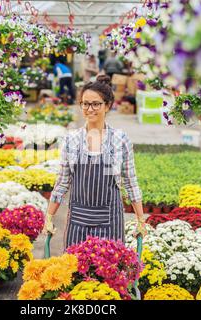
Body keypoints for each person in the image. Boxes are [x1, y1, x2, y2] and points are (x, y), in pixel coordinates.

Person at [43, 75, 147, 248]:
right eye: (85, 103)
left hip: (110, 220)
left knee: (108, 270)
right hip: (78, 220)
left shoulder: (120, 140)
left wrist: (141, 220)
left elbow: (130, 182)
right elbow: (62, 183)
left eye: (96, 104)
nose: (89, 109)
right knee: (75, 270)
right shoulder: (71, 140)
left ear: (107, 106)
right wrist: (49, 217)